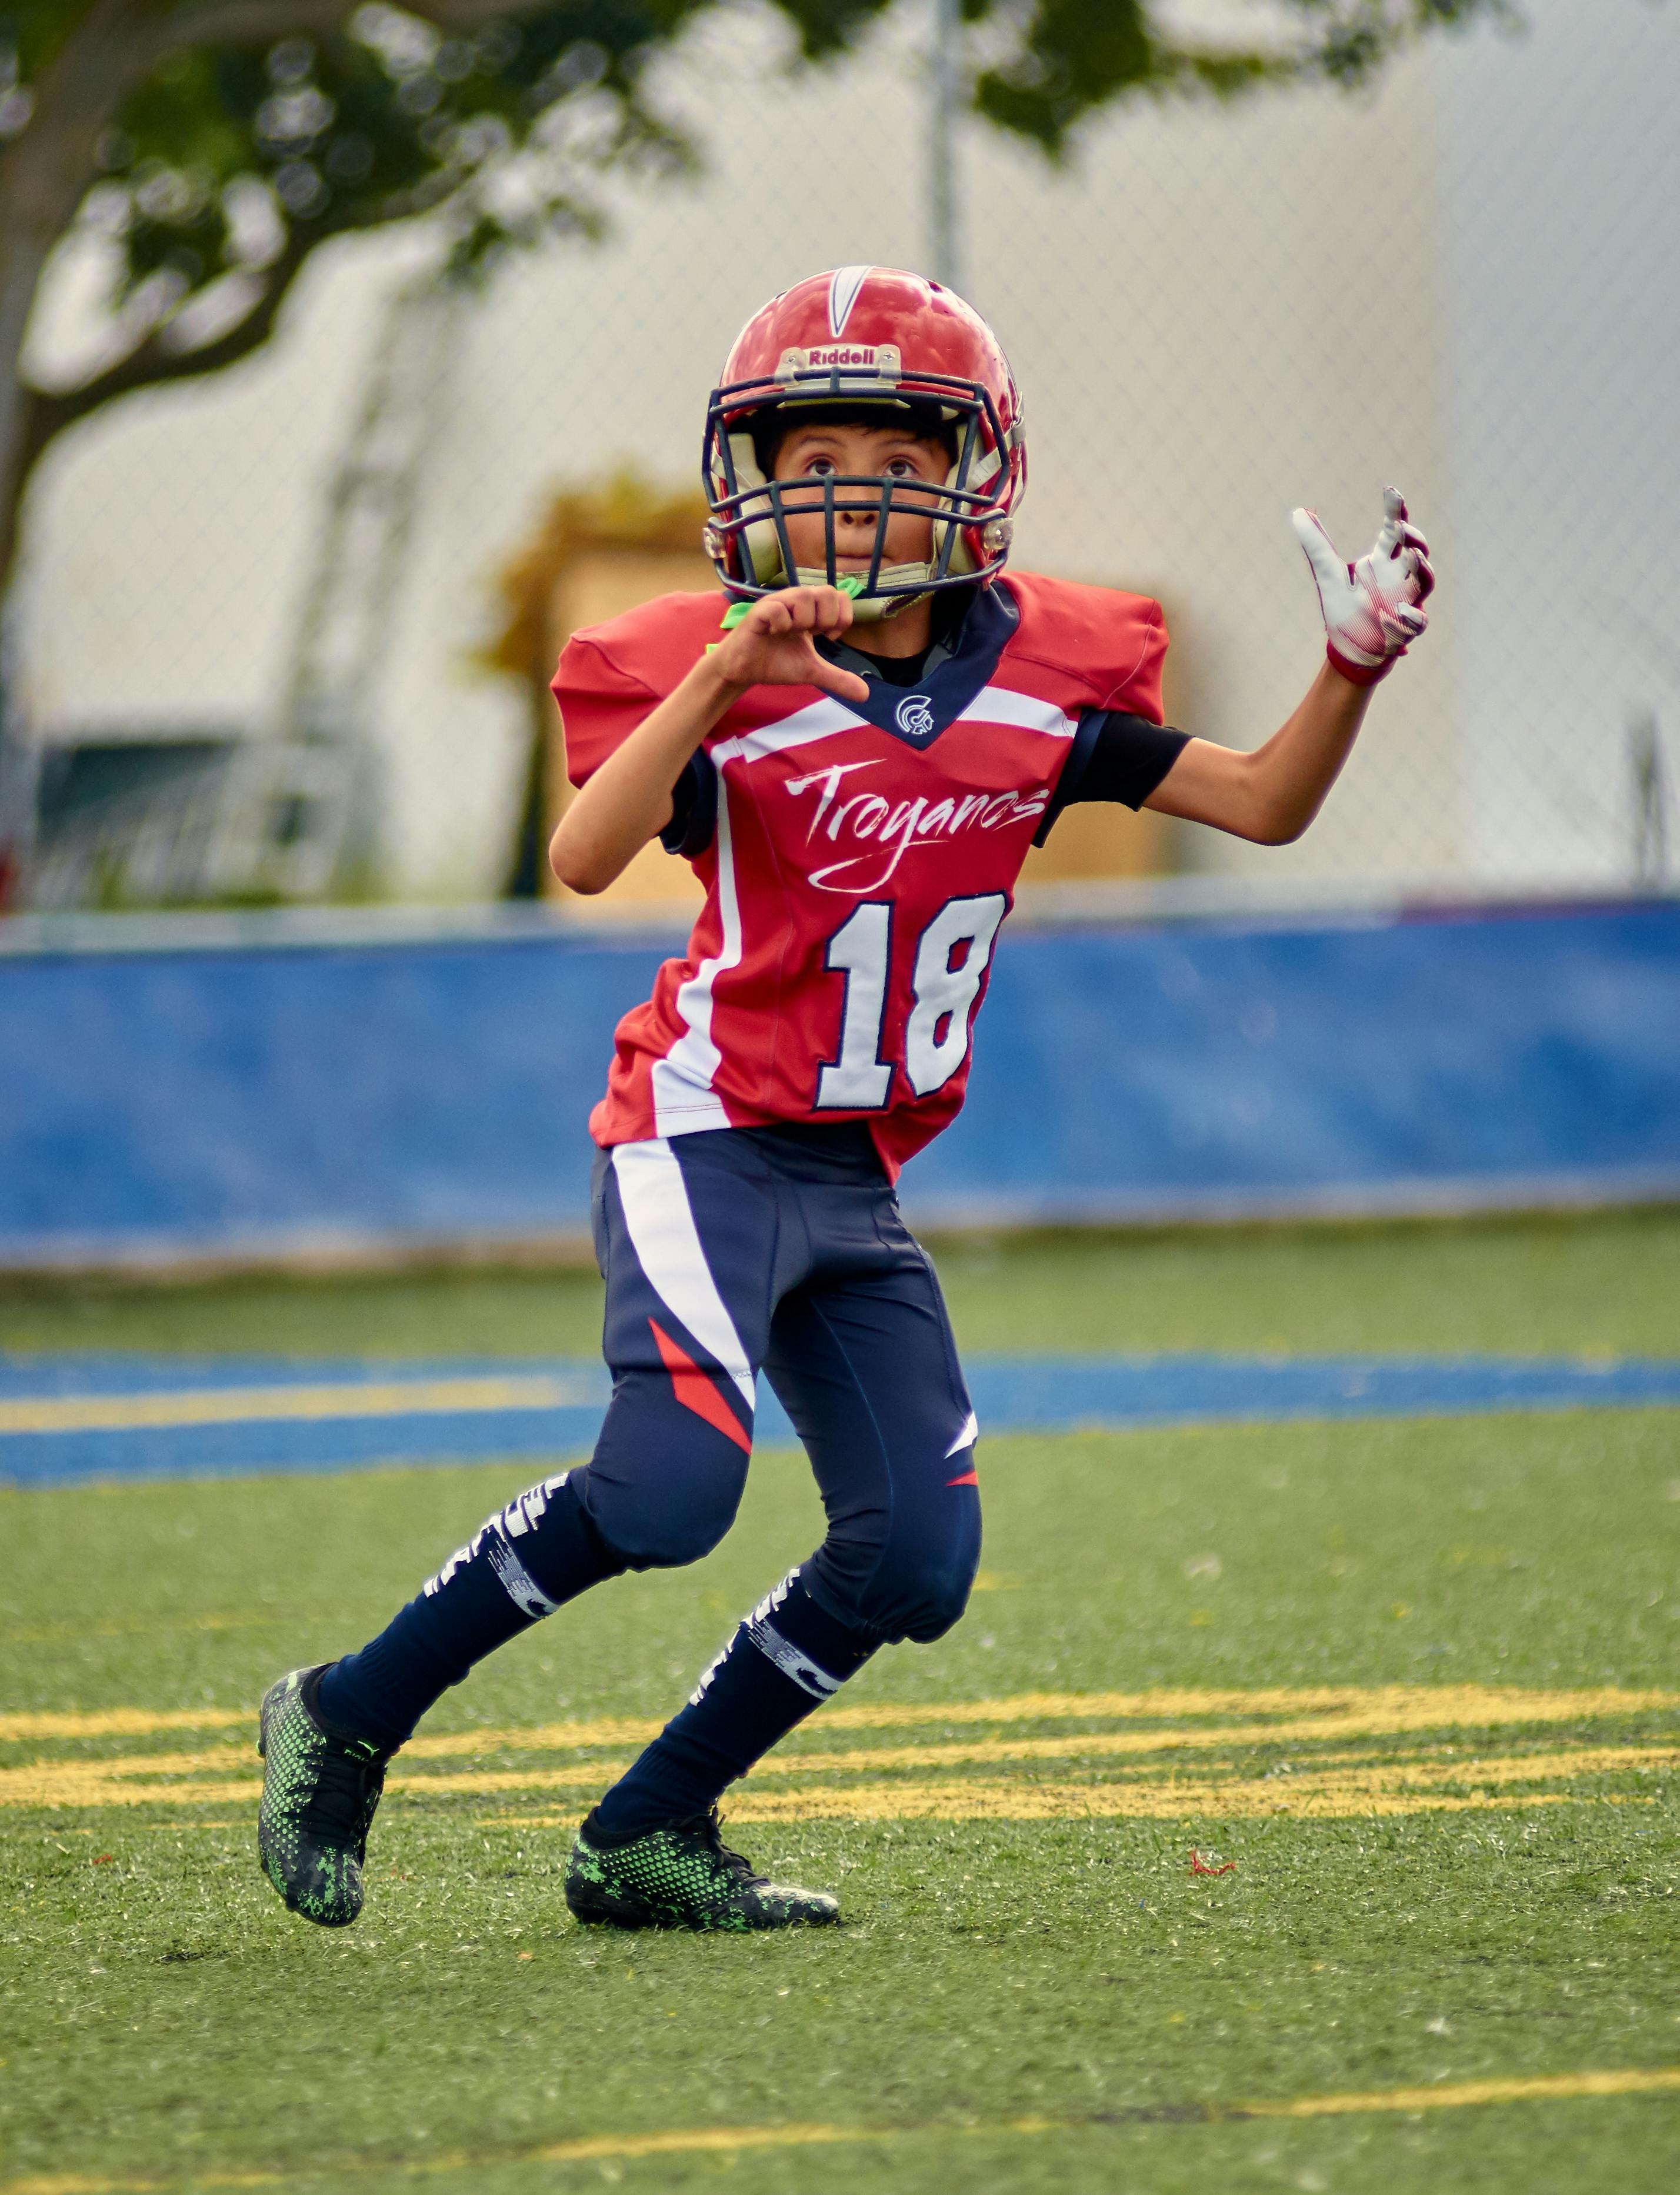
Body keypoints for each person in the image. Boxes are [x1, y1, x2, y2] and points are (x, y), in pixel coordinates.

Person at [256, 266, 1432, 1933]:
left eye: (889, 452)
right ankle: (346, 1711)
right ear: (750, 483)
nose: (845, 494)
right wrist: (724, 678)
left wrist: (1353, 672)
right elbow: (584, 855)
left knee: (916, 1562)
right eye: (805, 462)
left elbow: (1263, 804)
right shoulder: (711, 669)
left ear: (975, 472)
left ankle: (648, 1827)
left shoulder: (1045, 674)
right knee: (669, 1490)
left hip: (857, 1172)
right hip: (703, 1126)